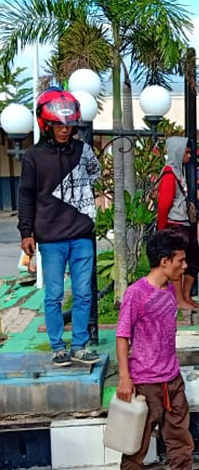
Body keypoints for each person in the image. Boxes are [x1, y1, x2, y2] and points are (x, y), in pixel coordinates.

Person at [114, 231, 199, 470]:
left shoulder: (170, 289)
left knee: (181, 440)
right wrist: (125, 377)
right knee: (137, 442)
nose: (185, 266)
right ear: (164, 261)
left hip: (172, 379)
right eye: (180, 261)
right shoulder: (136, 294)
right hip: (145, 384)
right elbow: (122, 336)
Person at [17, 88, 100, 367]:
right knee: (52, 295)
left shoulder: (82, 150)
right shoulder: (33, 156)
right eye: (58, 125)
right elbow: (25, 196)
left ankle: (80, 345)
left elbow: (95, 176)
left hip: (81, 235)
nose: (64, 130)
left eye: (68, 125)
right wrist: (26, 232)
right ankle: (57, 347)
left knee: (84, 293)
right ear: (46, 125)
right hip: (50, 239)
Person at [156, 137, 199, 312]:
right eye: (187, 152)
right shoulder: (169, 174)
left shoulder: (178, 171)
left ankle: (185, 296)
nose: (189, 156)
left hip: (183, 223)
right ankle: (179, 298)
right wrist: (162, 230)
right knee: (178, 262)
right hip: (175, 225)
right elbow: (163, 204)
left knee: (193, 261)